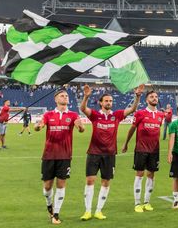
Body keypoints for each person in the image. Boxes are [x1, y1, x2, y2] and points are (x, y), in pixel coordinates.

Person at [79, 84, 143, 221]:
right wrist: (86, 96)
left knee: (106, 181)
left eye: (111, 101)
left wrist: (137, 96)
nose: (109, 103)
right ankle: (87, 211)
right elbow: (83, 109)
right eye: (106, 101)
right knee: (90, 180)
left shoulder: (117, 115)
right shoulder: (95, 115)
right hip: (94, 152)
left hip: (110, 154)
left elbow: (133, 109)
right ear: (101, 103)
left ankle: (98, 210)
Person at [35, 89, 85, 225]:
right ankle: (49, 206)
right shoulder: (48, 114)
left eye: (67, 96)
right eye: (62, 96)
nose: (65, 97)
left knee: (61, 184)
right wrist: (38, 127)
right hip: (49, 155)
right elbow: (40, 125)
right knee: (47, 186)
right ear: (56, 99)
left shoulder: (73, 115)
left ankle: (56, 214)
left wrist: (80, 127)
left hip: (65, 155)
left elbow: (81, 129)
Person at [122, 90, 168, 212]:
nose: (154, 98)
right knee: (139, 174)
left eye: (156, 96)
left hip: (154, 150)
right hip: (141, 149)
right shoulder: (140, 113)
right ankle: (137, 203)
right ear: (147, 100)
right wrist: (126, 143)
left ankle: (147, 202)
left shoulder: (160, 115)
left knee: (151, 175)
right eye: (152, 97)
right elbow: (132, 129)